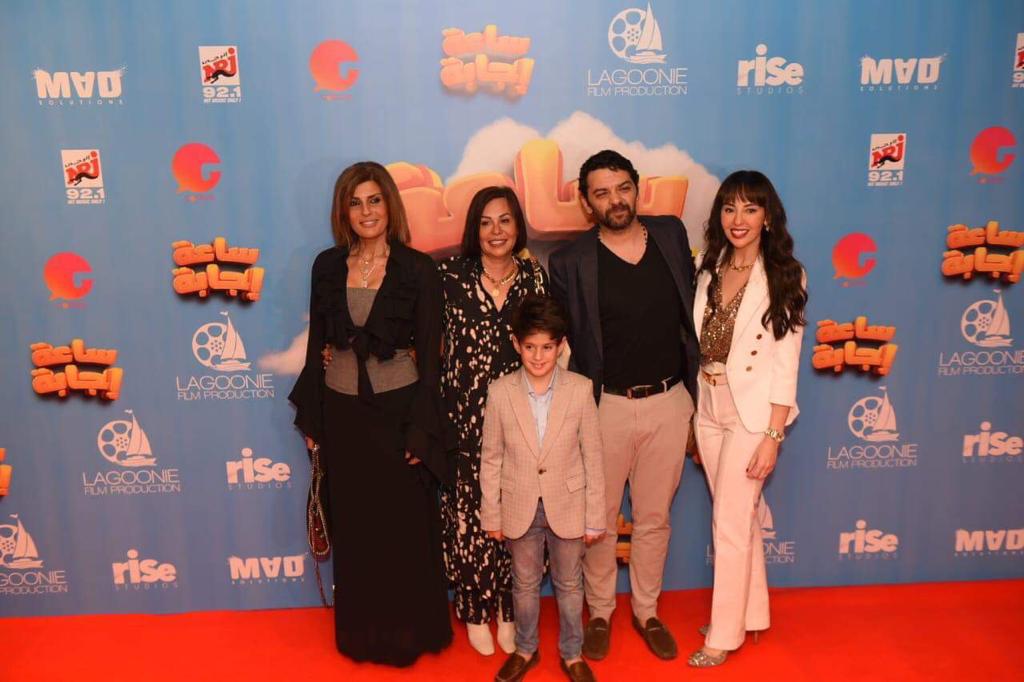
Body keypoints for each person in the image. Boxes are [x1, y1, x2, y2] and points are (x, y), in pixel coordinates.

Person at [288, 161, 453, 667]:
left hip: (399, 413)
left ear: (389, 206)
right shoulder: (325, 266)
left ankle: (410, 633)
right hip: (342, 414)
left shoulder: (418, 269)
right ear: (344, 211)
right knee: (356, 528)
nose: (366, 212)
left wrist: (421, 430)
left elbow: (431, 359)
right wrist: (314, 420)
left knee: (403, 527)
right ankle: (361, 635)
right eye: (355, 203)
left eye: (374, 200)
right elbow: (317, 344)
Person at [548, 150, 699, 662]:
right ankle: (599, 613)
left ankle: (647, 611)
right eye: (602, 193)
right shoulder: (569, 261)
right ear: (586, 202)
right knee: (599, 521)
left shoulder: (671, 235)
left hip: (670, 401)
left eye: (622, 188)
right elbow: (560, 342)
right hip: (604, 407)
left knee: (655, 517)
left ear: (637, 188)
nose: (615, 200)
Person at [688, 170, 807, 668]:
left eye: (750, 209)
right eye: (730, 207)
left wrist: (773, 435)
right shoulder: (708, 266)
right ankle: (750, 612)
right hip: (708, 405)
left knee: (731, 523)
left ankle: (723, 635)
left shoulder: (784, 275)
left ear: (767, 217)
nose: (738, 219)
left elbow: (786, 362)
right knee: (738, 516)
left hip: (752, 414)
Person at [438, 186, 549, 656]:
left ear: (518, 226)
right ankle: (473, 608)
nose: (496, 231)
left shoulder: (534, 278)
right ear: (474, 229)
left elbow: (548, 347)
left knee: (516, 517)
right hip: (463, 421)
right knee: (470, 518)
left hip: (521, 421)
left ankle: (508, 608)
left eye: (504, 220)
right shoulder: (449, 276)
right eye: (485, 222)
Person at [480, 294, 606, 682]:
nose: (538, 356)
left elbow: (593, 457)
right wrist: (492, 514)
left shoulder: (580, 389)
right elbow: (491, 458)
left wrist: (595, 516)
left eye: (547, 347)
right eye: (530, 347)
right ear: (516, 344)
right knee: (524, 585)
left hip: (568, 504)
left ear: (561, 345)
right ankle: (525, 648)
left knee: (570, 585)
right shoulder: (500, 391)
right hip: (519, 504)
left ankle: (572, 653)